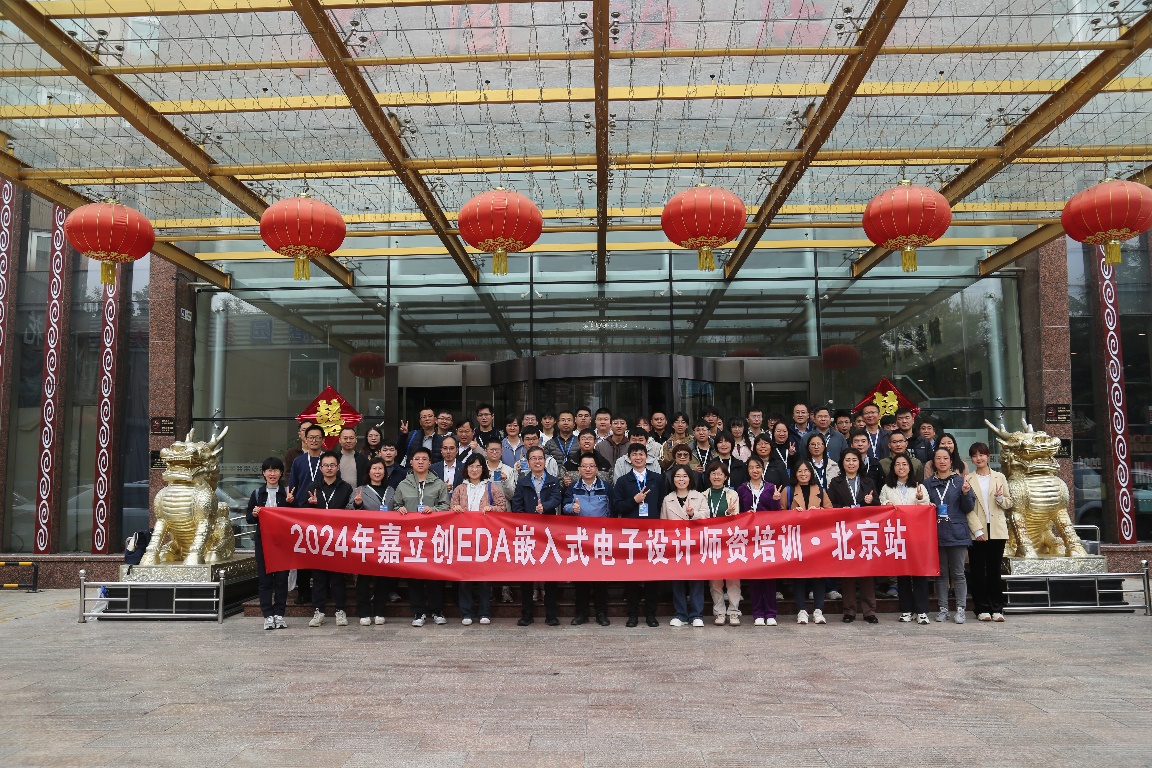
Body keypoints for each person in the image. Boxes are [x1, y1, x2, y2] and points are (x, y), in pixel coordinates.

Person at [393, 447, 451, 627]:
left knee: (434, 575)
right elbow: (395, 505)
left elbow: (446, 506)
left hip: (433, 537)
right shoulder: (403, 484)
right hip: (411, 537)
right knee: (414, 576)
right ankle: (418, 612)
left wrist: (433, 510)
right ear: (411, 462)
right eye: (417, 459)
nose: (420, 462)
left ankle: (437, 610)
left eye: (424, 459)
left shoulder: (439, 484)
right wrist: (399, 509)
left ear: (430, 462)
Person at [612, 444, 665, 627]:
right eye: (634, 454)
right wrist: (634, 501)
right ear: (629, 458)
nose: (638, 457)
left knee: (652, 576)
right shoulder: (623, 481)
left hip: (652, 533)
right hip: (631, 534)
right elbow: (617, 506)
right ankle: (633, 614)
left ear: (647, 457)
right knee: (632, 576)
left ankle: (651, 615)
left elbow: (661, 504)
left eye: (641, 454)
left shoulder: (657, 479)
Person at [451, 453, 506, 625]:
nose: (474, 470)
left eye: (478, 466)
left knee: (484, 577)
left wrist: (491, 508)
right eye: (471, 466)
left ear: (483, 469)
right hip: (464, 539)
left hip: (484, 539)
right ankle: (466, 613)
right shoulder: (460, 488)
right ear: (466, 469)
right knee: (464, 578)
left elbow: (502, 507)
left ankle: (484, 612)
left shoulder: (491, 487)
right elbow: (451, 508)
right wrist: (456, 508)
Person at [511, 447, 563, 626]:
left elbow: (556, 498)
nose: (537, 461)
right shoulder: (523, 482)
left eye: (540, 458)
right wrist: (526, 521)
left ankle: (551, 614)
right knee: (526, 574)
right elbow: (517, 504)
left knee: (550, 574)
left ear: (545, 461)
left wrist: (545, 507)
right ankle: (526, 614)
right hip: (528, 533)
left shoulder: (553, 481)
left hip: (549, 533)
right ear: (528, 462)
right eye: (533, 458)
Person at [827, 448, 879, 624]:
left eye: (854, 460)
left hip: (865, 530)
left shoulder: (868, 481)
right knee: (847, 570)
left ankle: (869, 610)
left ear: (860, 462)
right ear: (842, 463)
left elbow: (878, 505)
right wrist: (841, 509)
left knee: (867, 570)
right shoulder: (836, 482)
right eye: (847, 460)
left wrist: (871, 502)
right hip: (846, 531)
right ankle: (849, 610)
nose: (851, 463)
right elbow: (830, 504)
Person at [879, 454, 932, 624]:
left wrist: (920, 499)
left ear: (910, 467)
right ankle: (906, 609)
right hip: (898, 536)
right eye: (897, 464)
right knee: (902, 574)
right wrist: (886, 505)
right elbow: (881, 506)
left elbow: (927, 508)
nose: (901, 467)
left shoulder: (919, 487)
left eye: (904, 464)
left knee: (919, 573)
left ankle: (921, 611)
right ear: (893, 468)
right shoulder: (887, 487)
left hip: (917, 536)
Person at [925, 447, 975, 624]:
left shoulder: (960, 482)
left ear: (951, 461)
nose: (942, 461)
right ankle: (943, 609)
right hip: (936, 533)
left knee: (958, 573)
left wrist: (966, 493)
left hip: (957, 532)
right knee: (941, 574)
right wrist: (921, 500)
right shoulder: (927, 484)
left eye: (945, 458)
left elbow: (968, 507)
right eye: (938, 458)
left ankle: (961, 609)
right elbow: (922, 507)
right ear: (933, 462)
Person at [562, 453, 613, 627]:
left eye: (591, 466)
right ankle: (581, 613)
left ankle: (601, 613)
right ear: (579, 469)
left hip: (601, 538)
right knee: (581, 578)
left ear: (597, 469)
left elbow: (612, 511)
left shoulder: (606, 487)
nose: (588, 469)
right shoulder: (572, 488)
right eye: (584, 466)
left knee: (601, 579)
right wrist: (572, 508)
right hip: (580, 538)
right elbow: (564, 507)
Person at [305, 451, 354, 628]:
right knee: (318, 578)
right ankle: (319, 611)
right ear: (320, 468)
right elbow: (302, 513)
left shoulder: (346, 487)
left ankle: (340, 611)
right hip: (318, 539)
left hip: (339, 538)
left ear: (338, 467)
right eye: (326, 465)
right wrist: (310, 505)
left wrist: (356, 505)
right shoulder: (313, 486)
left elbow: (351, 512)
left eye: (332, 465)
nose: (329, 468)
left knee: (337, 577)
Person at [966, 442, 1013, 622]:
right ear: (971, 459)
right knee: (978, 571)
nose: (979, 458)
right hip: (978, 530)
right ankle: (981, 608)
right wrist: (977, 529)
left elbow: (1009, 503)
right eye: (975, 455)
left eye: (982, 455)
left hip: (997, 529)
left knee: (994, 570)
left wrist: (1000, 498)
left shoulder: (999, 477)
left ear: (988, 456)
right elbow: (967, 507)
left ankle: (997, 608)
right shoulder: (968, 479)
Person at [348, 457, 396, 626]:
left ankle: (380, 611)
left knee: (382, 578)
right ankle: (364, 612)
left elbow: (397, 509)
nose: (377, 472)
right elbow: (348, 511)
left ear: (385, 472)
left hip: (385, 538)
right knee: (363, 578)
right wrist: (357, 505)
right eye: (374, 468)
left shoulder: (391, 490)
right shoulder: (359, 490)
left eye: (380, 469)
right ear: (368, 472)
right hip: (366, 538)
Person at [737, 456, 783, 626]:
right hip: (750, 538)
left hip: (767, 537)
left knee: (769, 577)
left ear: (763, 469)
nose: (755, 470)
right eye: (751, 467)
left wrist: (776, 501)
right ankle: (757, 613)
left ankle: (771, 613)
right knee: (755, 577)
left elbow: (777, 515)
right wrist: (745, 515)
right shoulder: (742, 489)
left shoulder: (771, 488)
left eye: (758, 467)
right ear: (747, 470)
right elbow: (738, 514)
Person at [246, 457, 292, 630]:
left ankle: (279, 614)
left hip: (283, 543)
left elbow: (296, 517)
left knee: (281, 580)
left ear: (281, 473)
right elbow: (249, 518)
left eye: (276, 470)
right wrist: (255, 514)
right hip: (263, 542)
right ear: (263, 473)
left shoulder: (287, 493)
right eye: (269, 470)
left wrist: (291, 503)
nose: (272, 474)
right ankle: (267, 615)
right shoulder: (257, 494)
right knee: (265, 580)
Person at [661, 465, 707, 628]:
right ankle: (680, 614)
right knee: (677, 581)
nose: (681, 479)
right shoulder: (668, 499)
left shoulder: (699, 496)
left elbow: (707, 516)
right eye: (678, 476)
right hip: (676, 546)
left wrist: (693, 514)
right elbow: (663, 523)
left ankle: (696, 614)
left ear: (690, 478)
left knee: (696, 581)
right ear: (672, 479)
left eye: (684, 476)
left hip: (695, 545)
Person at [287, 423, 326, 604]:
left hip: (323, 511)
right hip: (302, 511)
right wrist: (293, 503)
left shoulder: (328, 460)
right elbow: (293, 486)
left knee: (323, 552)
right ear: (305, 439)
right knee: (303, 552)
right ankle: (303, 592)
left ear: (323, 440)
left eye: (318, 437)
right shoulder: (299, 461)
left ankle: (323, 591)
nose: (314, 440)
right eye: (311, 437)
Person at [791, 460, 831, 624]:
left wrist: (820, 511)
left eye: (806, 470)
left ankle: (818, 610)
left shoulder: (820, 490)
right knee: (799, 576)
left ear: (811, 472)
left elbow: (830, 511)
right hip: (797, 538)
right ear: (795, 473)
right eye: (799, 471)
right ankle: (801, 610)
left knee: (818, 575)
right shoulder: (789, 490)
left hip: (817, 539)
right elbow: (779, 513)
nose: (803, 474)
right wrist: (792, 513)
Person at [703, 461, 742, 625]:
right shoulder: (702, 495)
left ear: (726, 477)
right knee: (715, 580)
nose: (716, 477)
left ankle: (734, 612)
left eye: (720, 474)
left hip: (729, 541)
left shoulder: (732, 494)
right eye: (713, 473)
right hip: (711, 542)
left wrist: (728, 513)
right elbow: (701, 518)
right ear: (709, 476)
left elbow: (736, 517)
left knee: (733, 578)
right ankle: (719, 612)